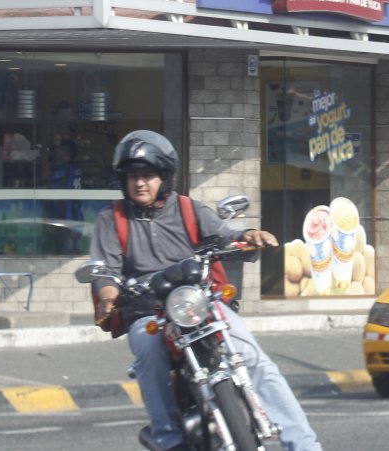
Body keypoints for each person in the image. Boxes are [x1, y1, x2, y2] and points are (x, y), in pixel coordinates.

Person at [90, 130, 322, 451]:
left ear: (164, 177)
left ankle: (305, 445)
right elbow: (104, 271)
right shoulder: (111, 219)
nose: (139, 183)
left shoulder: (189, 210)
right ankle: (168, 437)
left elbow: (226, 236)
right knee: (146, 349)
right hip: (149, 310)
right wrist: (107, 296)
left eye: (147, 176)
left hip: (200, 302)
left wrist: (250, 235)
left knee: (254, 359)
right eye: (132, 177)